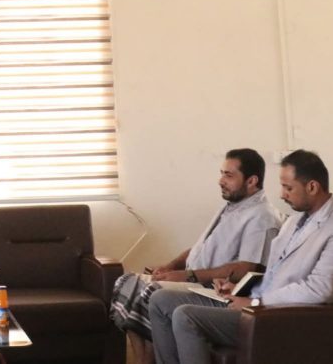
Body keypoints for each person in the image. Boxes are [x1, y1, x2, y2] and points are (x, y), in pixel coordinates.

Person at [148, 149, 333, 364]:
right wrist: (239, 288)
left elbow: (321, 290)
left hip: (282, 317)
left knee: (186, 316)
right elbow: (274, 273)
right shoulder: (294, 221)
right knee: (160, 300)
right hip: (257, 304)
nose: (282, 194)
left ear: (312, 187)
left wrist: (256, 301)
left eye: (288, 187)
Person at [111, 148, 282, 362]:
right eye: (222, 173)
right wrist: (172, 265)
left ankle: (148, 359)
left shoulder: (262, 217)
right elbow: (200, 247)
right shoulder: (232, 206)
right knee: (126, 282)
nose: (221, 181)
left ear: (251, 181)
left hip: (211, 288)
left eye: (229, 175)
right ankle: (143, 359)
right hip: (193, 278)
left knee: (150, 291)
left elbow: (246, 269)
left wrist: (188, 276)